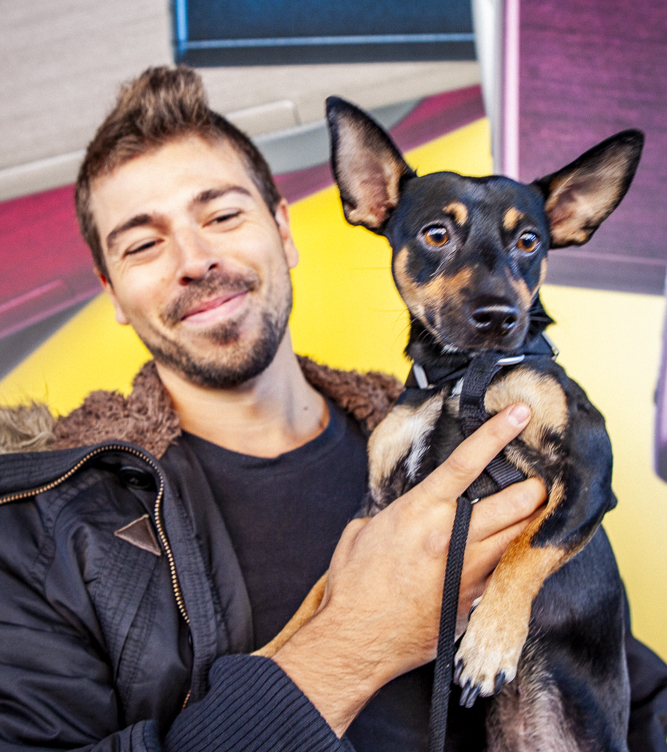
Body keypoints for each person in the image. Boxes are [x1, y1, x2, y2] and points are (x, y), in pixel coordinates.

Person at [0, 66, 664, 752]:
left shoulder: (461, 433)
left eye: (222, 214)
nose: (194, 259)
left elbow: (620, 684)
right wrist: (357, 641)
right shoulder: (43, 529)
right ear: (111, 290)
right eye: (142, 243)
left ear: (284, 231)